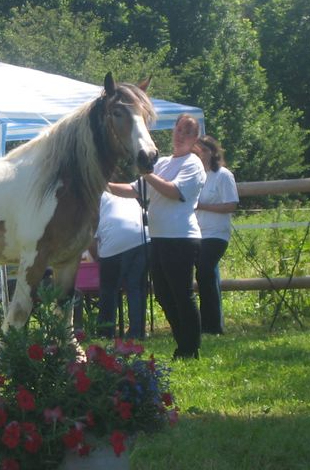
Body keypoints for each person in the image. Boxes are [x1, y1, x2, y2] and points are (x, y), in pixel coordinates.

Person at [109, 114, 205, 359]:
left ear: (195, 138)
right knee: (163, 293)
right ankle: (182, 342)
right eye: (179, 129)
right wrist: (103, 184)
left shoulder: (192, 163)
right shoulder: (162, 164)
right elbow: (134, 190)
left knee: (182, 293)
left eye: (187, 131)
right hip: (160, 237)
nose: (180, 134)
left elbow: (174, 191)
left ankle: (190, 348)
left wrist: (147, 172)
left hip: (181, 237)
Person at [192, 135, 239, 335]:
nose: (199, 155)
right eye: (196, 151)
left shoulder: (223, 175)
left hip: (217, 233)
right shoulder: (196, 176)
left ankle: (210, 325)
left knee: (204, 272)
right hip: (197, 233)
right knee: (205, 277)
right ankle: (209, 324)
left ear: (212, 152)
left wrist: (202, 206)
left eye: (202, 151)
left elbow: (231, 205)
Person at [91, 191, 150, 340]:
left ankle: (106, 332)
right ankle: (137, 332)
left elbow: (92, 239)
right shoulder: (126, 193)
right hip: (143, 238)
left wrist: (97, 258)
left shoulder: (94, 196)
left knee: (109, 290)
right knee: (136, 287)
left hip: (114, 240)